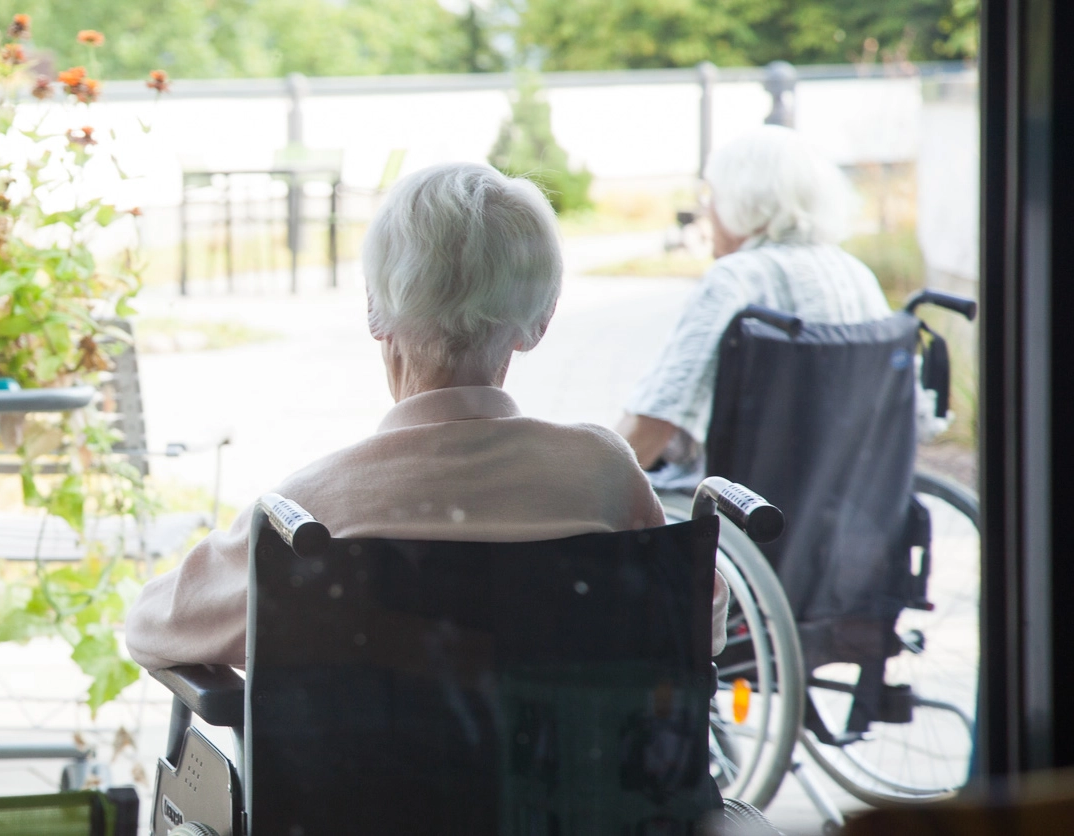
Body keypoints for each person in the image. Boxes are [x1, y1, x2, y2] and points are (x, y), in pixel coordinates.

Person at [125, 162, 729, 671]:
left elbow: (154, 627)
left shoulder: (312, 511)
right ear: (540, 323)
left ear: (374, 310)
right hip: (573, 805)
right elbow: (699, 619)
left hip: (365, 810)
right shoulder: (602, 476)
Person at [617, 126, 896, 487]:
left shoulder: (737, 278)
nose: (707, 210)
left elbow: (654, 418)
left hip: (750, 510)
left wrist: (583, 497)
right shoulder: (857, 274)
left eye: (712, 196)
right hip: (846, 505)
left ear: (742, 201)